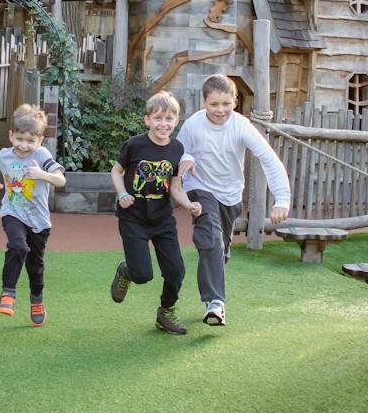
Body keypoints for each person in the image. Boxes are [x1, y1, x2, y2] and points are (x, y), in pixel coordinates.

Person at [177, 74, 292, 327]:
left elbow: (268, 158)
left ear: (235, 101)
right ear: (204, 102)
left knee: (220, 250)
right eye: (214, 104)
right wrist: (186, 157)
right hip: (200, 189)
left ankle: (218, 260)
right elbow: (178, 150)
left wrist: (282, 199)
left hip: (230, 196)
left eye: (226, 104)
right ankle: (215, 303)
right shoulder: (193, 125)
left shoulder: (241, 125)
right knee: (210, 240)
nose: (220, 110)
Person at [109, 90, 201, 335]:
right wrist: (121, 194)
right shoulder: (134, 144)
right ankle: (125, 271)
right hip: (133, 219)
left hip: (162, 219)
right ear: (147, 120)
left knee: (176, 271)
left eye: (169, 119)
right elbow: (116, 171)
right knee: (142, 275)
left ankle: (166, 311)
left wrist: (189, 203)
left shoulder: (177, 149)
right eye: (158, 118)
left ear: (176, 121)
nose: (163, 124)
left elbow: (175, 187)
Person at [0, 104, 66, 327]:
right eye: (19, 139)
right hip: (13, 212)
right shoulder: (4, 155)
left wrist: (42, 174)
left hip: (38, 221)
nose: (24, 145)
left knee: (35, 265)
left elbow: (61, 180)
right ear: (11, 136)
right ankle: (7, 293)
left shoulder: (42, 155)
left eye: (30, 141)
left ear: (39, 141)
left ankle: (36, 299)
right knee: (18, 246)